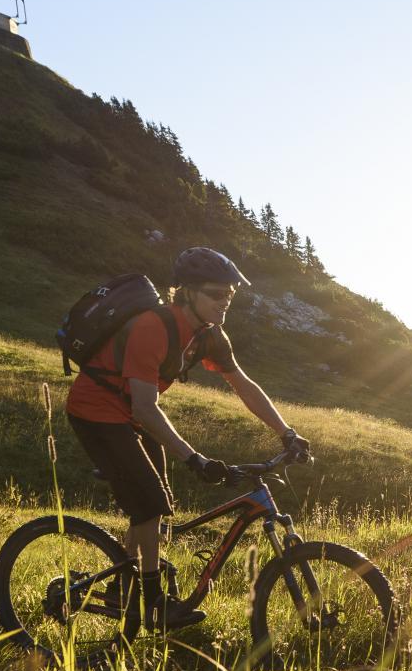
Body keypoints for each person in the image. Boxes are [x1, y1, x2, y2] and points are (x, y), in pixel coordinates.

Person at [65, 245, 309, 635]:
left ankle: (118, 589)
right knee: (149, 500)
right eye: (216, 293)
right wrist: (194, 458)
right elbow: (146, 407)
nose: (225, 301)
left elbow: (243, 385)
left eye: (230, 295)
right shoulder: (153, 326)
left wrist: (287, 432)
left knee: (158, 504)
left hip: (130, 412)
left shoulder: (209, 336)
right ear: (188, 291)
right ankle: (153, 604)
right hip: (96, 411)